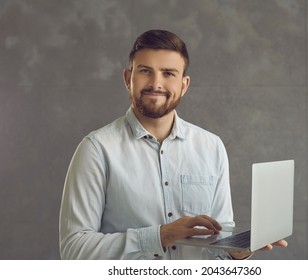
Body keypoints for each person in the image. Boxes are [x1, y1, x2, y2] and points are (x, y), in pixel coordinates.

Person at [59, 29, 287, 260]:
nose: (156, 83)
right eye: (146, 71)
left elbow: (217, 251)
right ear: (128, 79)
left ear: (184, 85)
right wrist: (160, 236)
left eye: (168, 73)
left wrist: (235, 253)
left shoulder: (211, 147)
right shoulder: (97, 149)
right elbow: (74, 250)